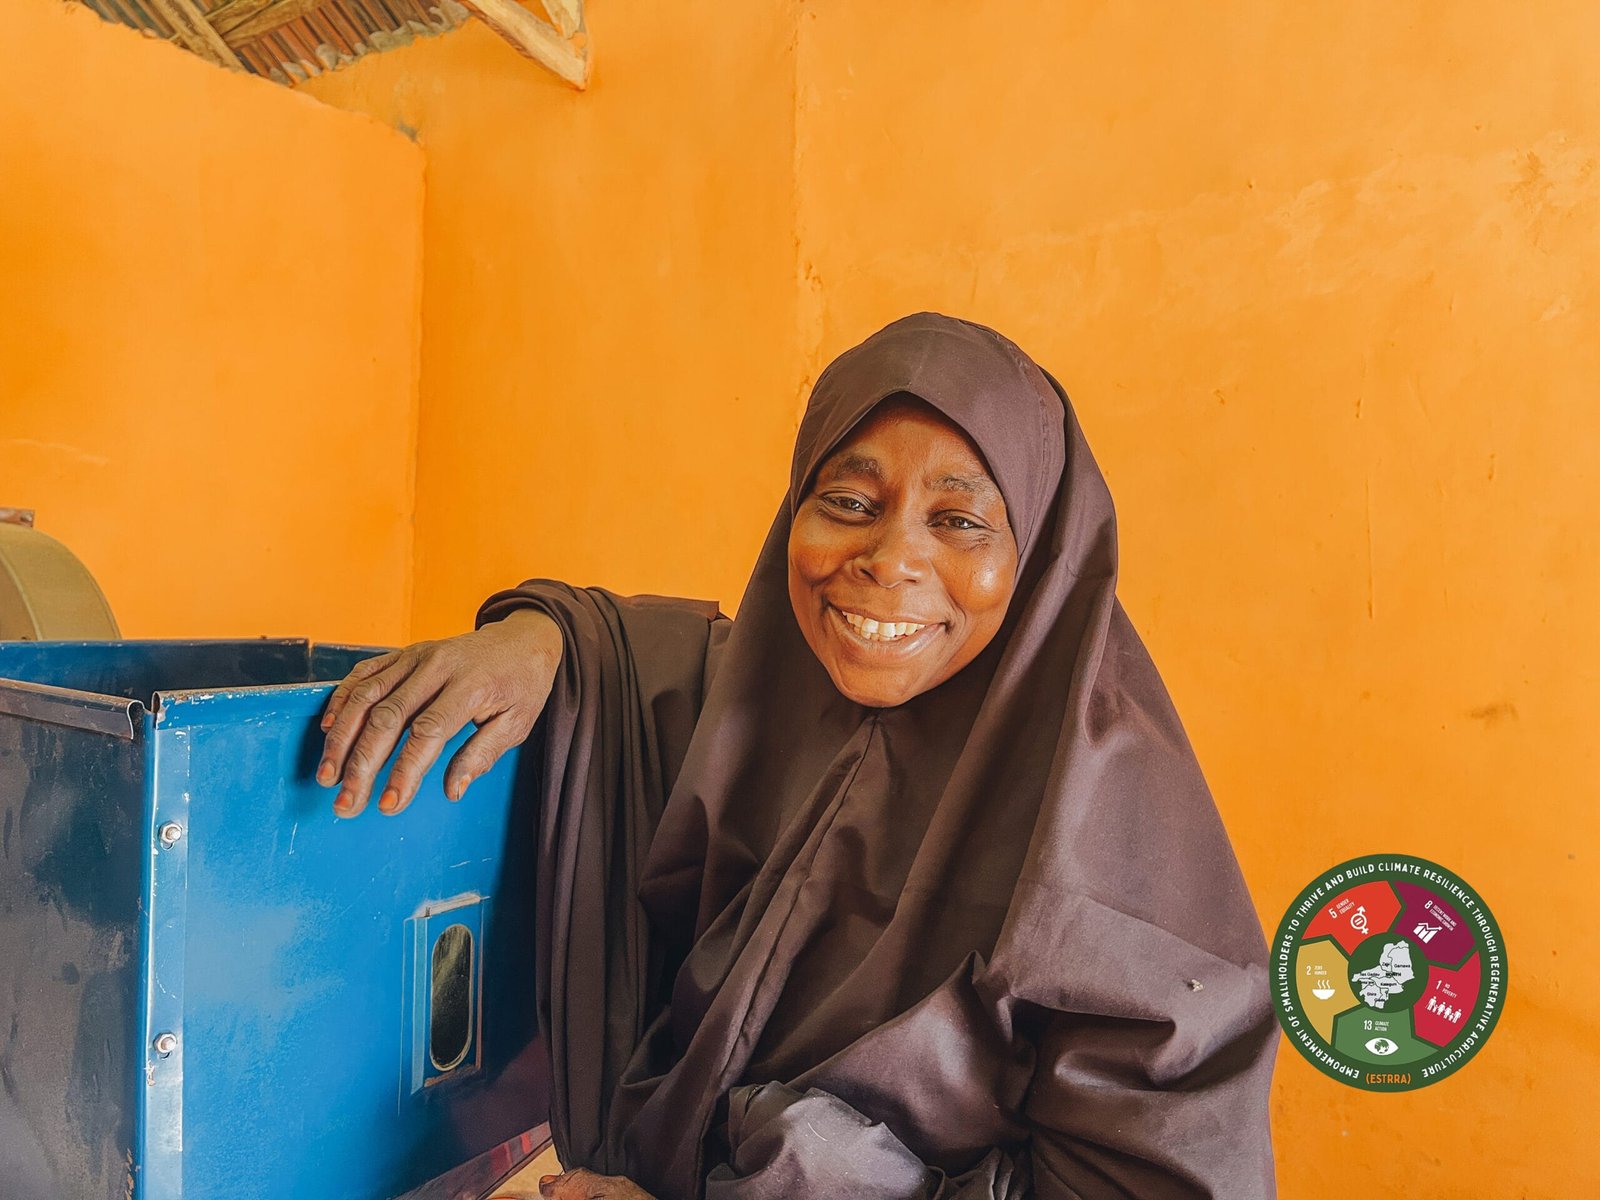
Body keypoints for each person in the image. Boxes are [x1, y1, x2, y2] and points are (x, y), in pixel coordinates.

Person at [318, 313, 1278, 1199]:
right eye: (850, 501)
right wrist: (546, 641)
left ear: (1041, 560)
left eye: (960, 522)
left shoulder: (1117, 849)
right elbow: (653, 665)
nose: (890, 559)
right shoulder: (775, 700)